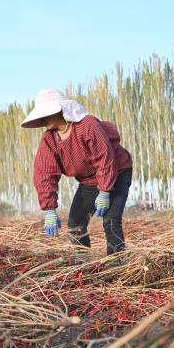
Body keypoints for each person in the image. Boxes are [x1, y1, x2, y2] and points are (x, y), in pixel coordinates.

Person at [22, 88, 134, 255]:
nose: (43, 120)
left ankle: (117, 263)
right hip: (89, 180)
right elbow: (44, 173)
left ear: (59, 111)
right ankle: (82, 263)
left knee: (111, 220)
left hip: (116, 172)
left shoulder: (87, 125)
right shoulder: (49, 139)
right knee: (76, 223)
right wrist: (49, 209)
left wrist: (104, 191)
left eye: (46, 114)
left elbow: (105, 157)